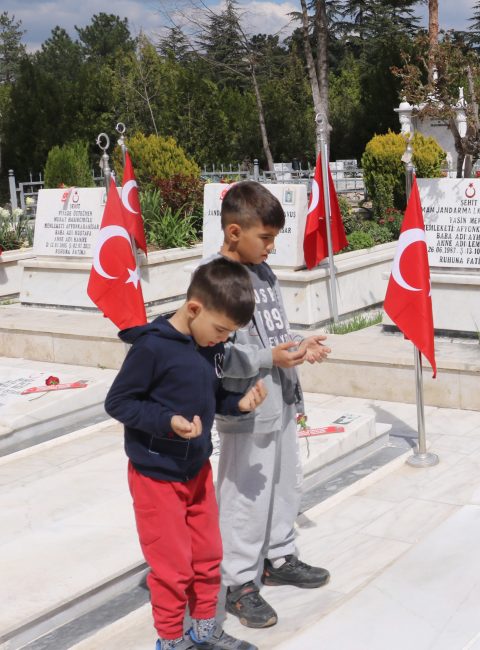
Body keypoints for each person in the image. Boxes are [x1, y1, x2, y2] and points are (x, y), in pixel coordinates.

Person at [105, 258, 268, 650]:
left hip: (196, 471)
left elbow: (208, 397)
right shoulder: (153, 347)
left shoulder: (205, 344)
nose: (222, 340)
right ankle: (172, 638)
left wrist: (238, 403)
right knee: (173, 567)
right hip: (156, 477)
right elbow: (119, 402)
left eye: (229, 334)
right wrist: (167, 421)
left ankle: (205, 630)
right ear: (194, 308)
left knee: (208, 555)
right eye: (220, 330)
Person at [204, 181, 333, 629]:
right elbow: (214, 349)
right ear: (235, 231)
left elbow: (272, 332)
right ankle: (238, 580)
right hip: (247, 404)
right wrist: (267, 358)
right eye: (266, 238)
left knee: (282, 484)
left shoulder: (263, 271)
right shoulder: (214, 277)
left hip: (280, 395)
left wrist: (298, 345)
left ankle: (278, 555)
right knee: (245, 494)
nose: (272, 248)